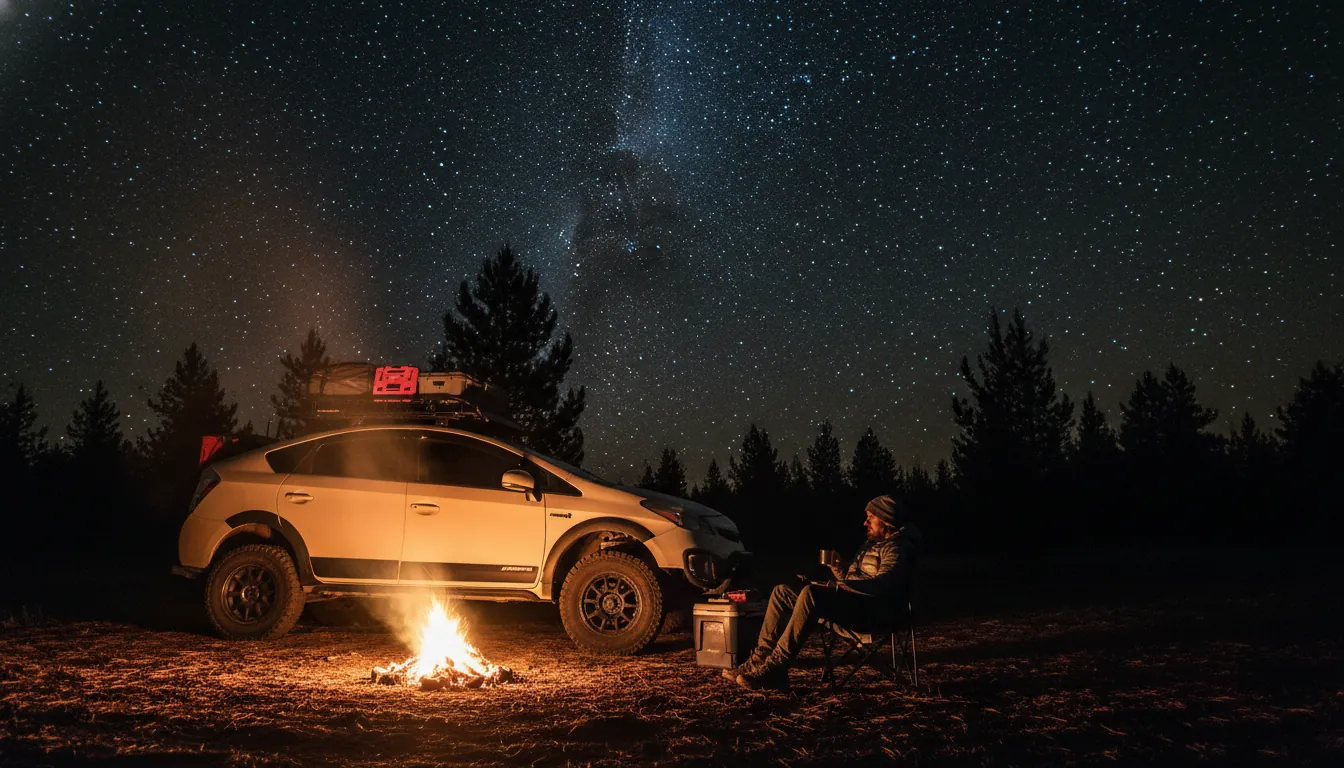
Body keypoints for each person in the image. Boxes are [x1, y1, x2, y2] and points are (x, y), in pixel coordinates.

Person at [725, 494, 921, 691]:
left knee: (812, 594)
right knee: (781, 593)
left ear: (886, 520)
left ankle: (777, 666)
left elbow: (883, 585)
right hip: (852, 605)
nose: (865, 522)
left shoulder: (895, 549)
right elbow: (852, 580)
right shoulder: (869, 546)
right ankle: (759, 659)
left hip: (873, 614)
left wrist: (834, 587)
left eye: (870, 517)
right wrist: (838, 568)